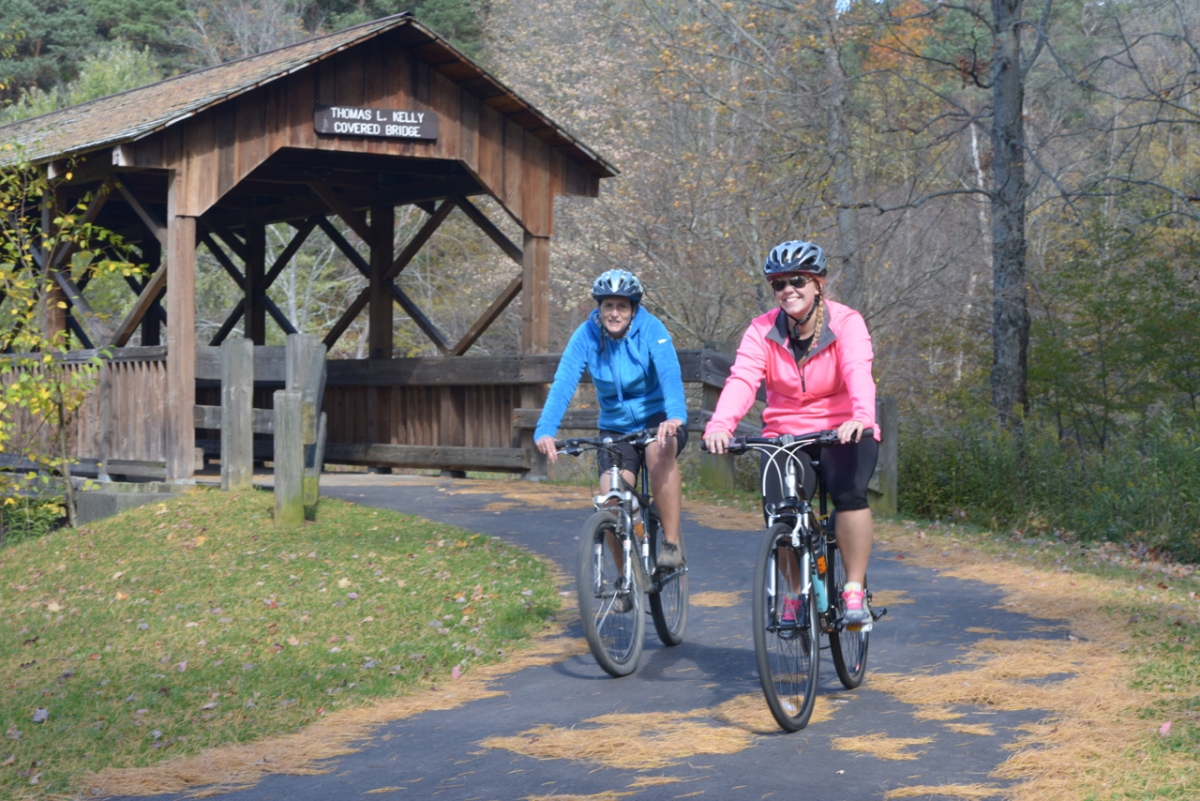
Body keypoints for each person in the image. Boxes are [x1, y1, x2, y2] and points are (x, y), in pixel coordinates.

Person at [702, 240, 878, 625]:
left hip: (844, 429)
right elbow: (742, 379)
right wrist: (720, 425)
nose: (788, 290)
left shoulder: (846, 322)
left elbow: (857, 371)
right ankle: (795, 593)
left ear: (817, 284)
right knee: (781, 513)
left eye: (797, 280)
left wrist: (861, 417)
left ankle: (853, 590)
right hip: (786, 434)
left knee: (849, 496)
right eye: (778, 284)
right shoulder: (762, 330)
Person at [535, 269, 689, 575]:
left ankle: (671, 544)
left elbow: (670, 374)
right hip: (616, 428)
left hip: (658, 419)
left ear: (633, 309)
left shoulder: (650, 329)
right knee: (610, 500)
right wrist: (545, 429)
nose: (614, 313)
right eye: (608, 306)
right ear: (599, 308)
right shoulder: (586, 336)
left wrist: (675, 417)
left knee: (658, 453)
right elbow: (564, 382)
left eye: (622, 306)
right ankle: (625, 578)